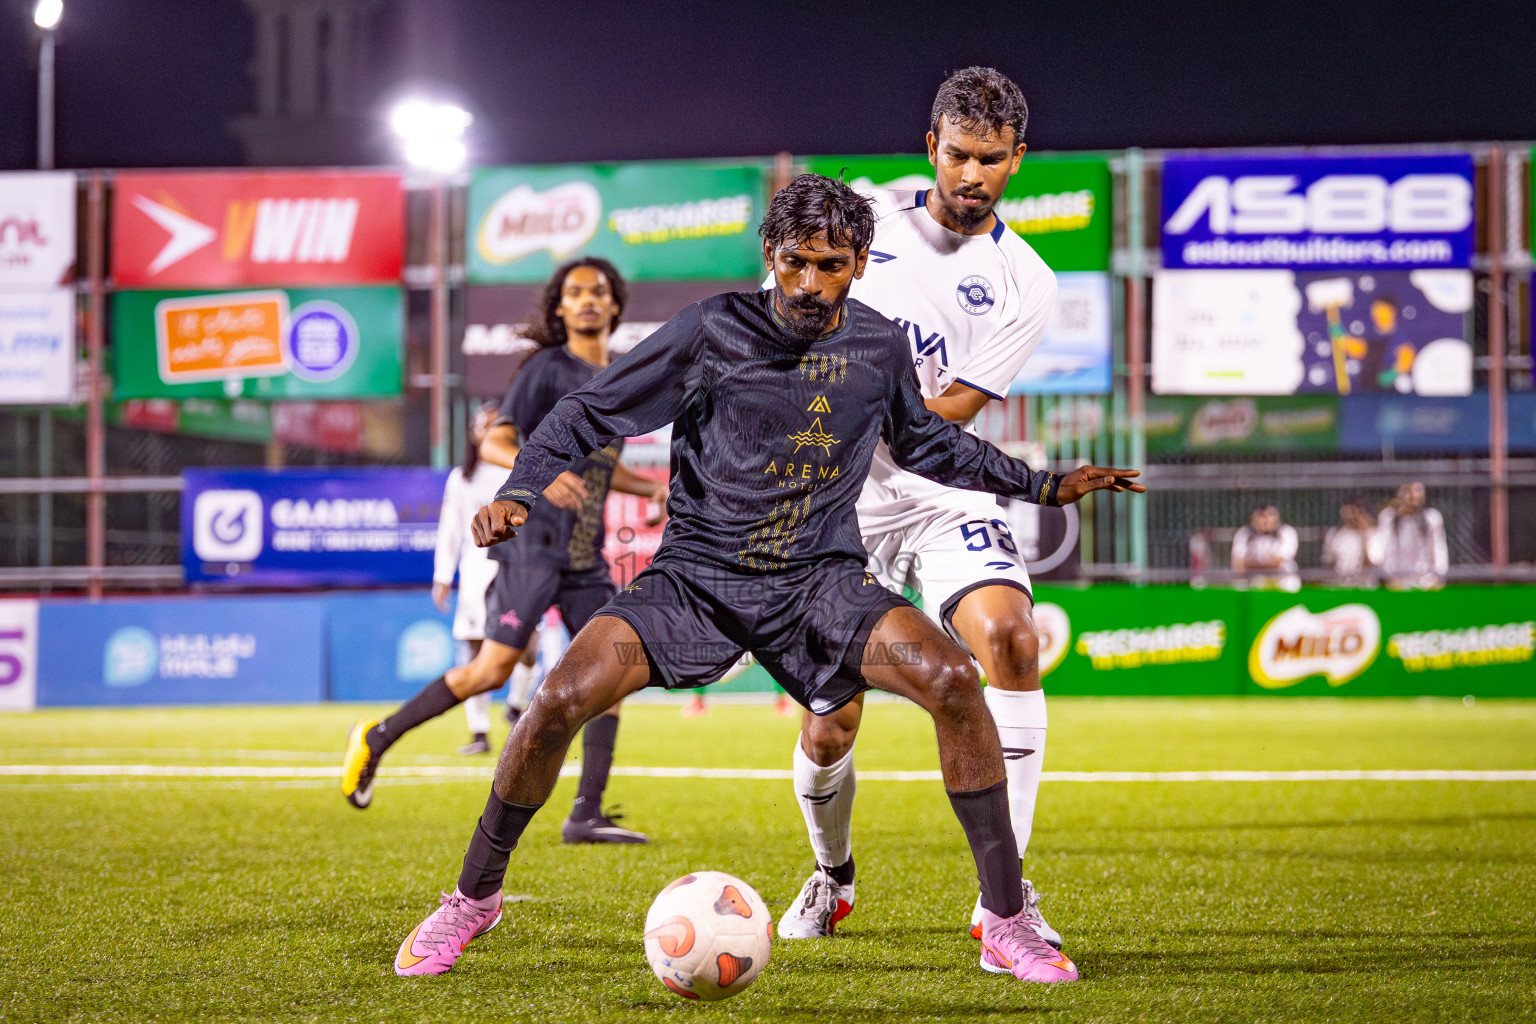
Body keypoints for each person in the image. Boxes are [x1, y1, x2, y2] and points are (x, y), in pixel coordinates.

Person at [389, 174, 1142, 984]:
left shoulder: (879, 346)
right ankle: (473, 897)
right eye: (794, 263)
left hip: (819, 587)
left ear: (860, 261)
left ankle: (1003, 919)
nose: (810, 285)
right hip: (696, 584)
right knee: (559, 699)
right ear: (769, 256)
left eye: (831, 265)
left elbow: (927, 443)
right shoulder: (711, 329)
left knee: (956, 679)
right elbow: (586, 413)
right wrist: (518, 491)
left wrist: (1042, 483)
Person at [772, 67, 1064, 950]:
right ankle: (832, 877)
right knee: (829, 729)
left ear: (1018, 160)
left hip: (936, 492)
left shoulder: (1027, 282)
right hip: (835, 510)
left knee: (1011, 641)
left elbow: (949, 416)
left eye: (992, 160)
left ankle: (1003, 905)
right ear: (931, 147)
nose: (972, 175)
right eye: (959, 155)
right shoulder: (856, 225)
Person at [343, 257, 667, 846]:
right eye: (575, 292)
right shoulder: (546, 368)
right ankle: (378, 737)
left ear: (616, 305)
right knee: (490, 670)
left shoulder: (620, 376)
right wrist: (539, 478)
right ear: (561, 307)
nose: (588, 300)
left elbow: (601, 467)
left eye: (599, 291)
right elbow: (493, 441)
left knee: (616, 669)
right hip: (532, 547)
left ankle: (586, 813)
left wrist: (652, 490)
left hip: (584, 555)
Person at [431, 402, 524, 756]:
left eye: (495, 423)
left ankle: (516, 706)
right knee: (472, 646)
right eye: (482, 425)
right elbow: (451, 528)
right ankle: (479, 732)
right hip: (475, 572)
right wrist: (442, 575)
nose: (487, 430)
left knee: (526, 646)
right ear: (473, 433)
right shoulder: (461, 478)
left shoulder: (517, 470)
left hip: (514, 568)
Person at [1378, 482, 1446, 589]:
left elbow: (1439, 549)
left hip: (1426, 581)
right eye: (1407, 492)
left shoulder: (1432, 518)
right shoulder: (1388, 517)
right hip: (1397, 582)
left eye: (1417, 491)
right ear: (1399, 495)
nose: (1412, 497)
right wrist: (1389, 577)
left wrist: (1437, 578)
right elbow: (1384, 550)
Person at [1230, 504, 1300, 592]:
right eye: (1261, 516)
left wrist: (1254, 563)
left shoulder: (1287, 532)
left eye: (1269, 516)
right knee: (1239, 585)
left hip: (1281, 577)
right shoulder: (1244, 533)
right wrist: (1267, 563)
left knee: (1292, 584)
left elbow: (1279, 562)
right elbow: (1240, 564)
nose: (1265, 521)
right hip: (1253, 577)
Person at [1321, 499, 1382, 589]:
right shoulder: (1334, 534)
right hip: (1341, 585)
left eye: (1353, 512)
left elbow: (1372, 561)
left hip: (1364, 585)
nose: (1350, 516)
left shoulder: (1372, 534)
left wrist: (1364, 535)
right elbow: (1328, 562)